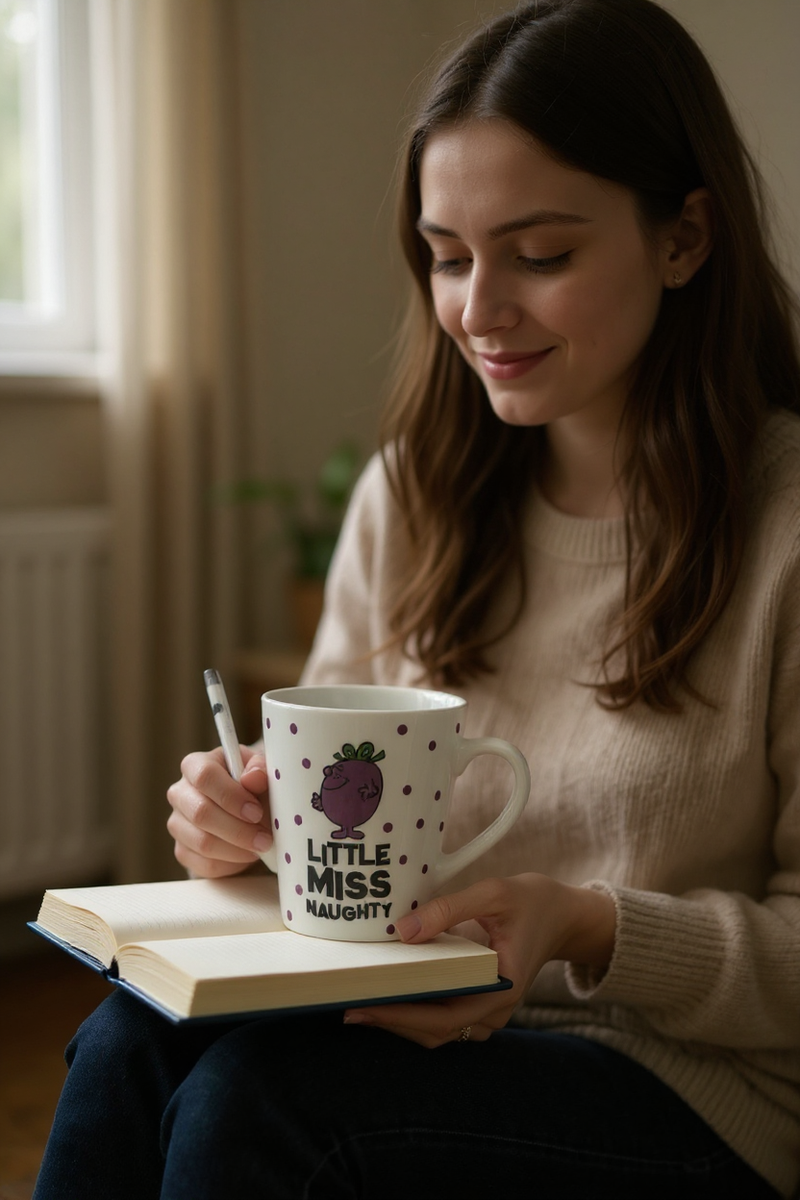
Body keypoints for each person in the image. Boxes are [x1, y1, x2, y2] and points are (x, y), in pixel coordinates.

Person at [34, 1, 800, 1196]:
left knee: (263, 1109)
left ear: (684, 238)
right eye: (447, 256)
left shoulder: (785, 528)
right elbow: (347, 855)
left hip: (691, 1089)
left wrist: (587, 925)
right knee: (135, 1039)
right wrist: (246, 841)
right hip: (406, 1020)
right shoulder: (415, 498)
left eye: (539, 255)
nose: (478, 312)